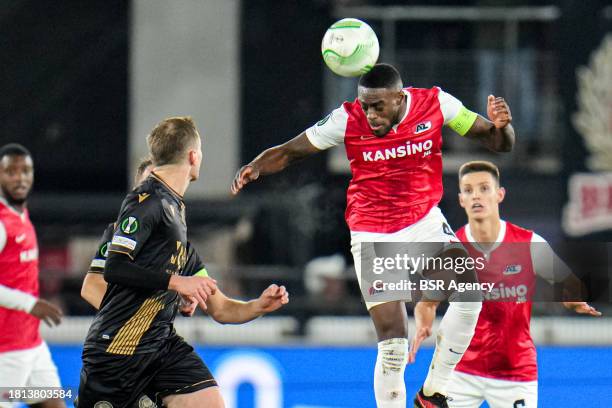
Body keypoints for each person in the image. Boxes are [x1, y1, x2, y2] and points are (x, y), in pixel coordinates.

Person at [231, 63, 515, 407]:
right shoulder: (346, 119)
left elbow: (498, 142)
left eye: (378, 106)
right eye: (365, 105)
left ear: (399, 97)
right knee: (394, 345)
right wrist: (256, 166)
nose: (370, 114)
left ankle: (433, 391)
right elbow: (292, 150)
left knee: (470, 296)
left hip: (423, 221)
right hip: (372, 233)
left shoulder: (437, 104)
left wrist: (504, 126)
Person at [78, 117, 288, 408]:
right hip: (119, 352)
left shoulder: (177, 227)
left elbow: (221, 307)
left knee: (210, 403)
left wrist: (258, 305)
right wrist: (171, 288)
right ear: (193, 155)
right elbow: (111, 271)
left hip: (161, 345)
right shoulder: (148, 202)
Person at [409, 160, 601, 408]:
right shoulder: (452, 251)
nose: (476, 196)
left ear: (499, 194)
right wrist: (423, 323)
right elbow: (428, 302)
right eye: (468, 190)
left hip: (515, 371)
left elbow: (567, 282)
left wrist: (573, 299)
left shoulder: (529, 243)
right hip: (462, 371)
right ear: (461, 200)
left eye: (484, 188)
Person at [0, 143, 65, 408]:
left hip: (32, 345)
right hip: (5, 350)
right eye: (11, 171)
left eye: (25, 170)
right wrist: (30, 304)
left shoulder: (22, 216)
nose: (20, 177)